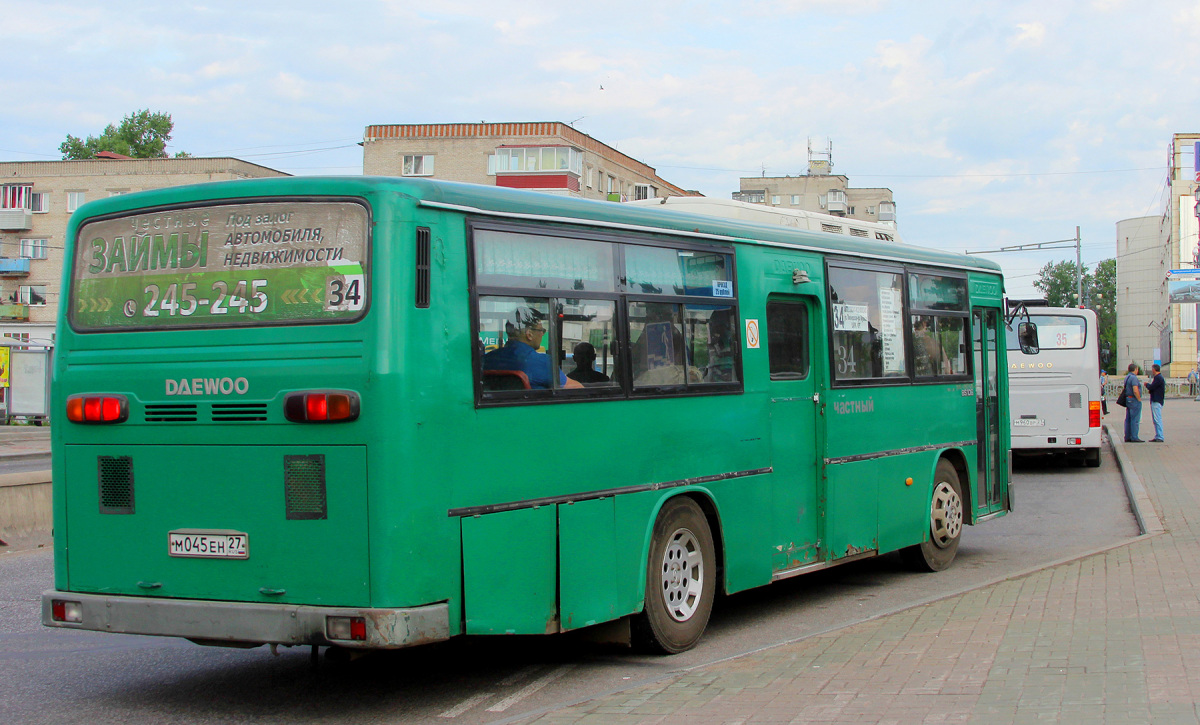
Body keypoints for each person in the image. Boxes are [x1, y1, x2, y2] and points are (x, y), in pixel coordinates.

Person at [483, 306, 581, 390]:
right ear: (529, 334)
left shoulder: (487, 359)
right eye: (541, 330)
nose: (542, 334)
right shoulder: (542, 362)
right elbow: (575, 388)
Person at [1122, 363, 1143, 443]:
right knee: (1135, 419)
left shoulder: (1127, 377)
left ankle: (1127, 436)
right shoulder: (1134, 378)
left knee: (1128, 419)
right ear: (1135, 369)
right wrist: (1139, 399)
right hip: (1134, 400)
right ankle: (1134, 437)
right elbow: (1135, 389)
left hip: (1128, 399)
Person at [1146, 363, 1166, 442]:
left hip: (1157, 400)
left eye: (1152, 369)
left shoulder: (1158, 378)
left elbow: (1152, 387)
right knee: (1156, 419)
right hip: (1157, 400)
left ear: (1154, 369)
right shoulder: (1159, 378)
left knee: (1157, 419)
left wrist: (1147, 385)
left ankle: (1160, 436)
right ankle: (1158, 435)